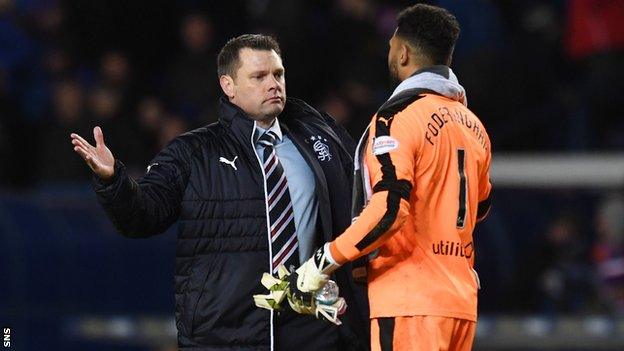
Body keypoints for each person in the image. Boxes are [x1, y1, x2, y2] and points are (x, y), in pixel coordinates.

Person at [70, 34, 368, 351]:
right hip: (229, 333)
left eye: (278, 74)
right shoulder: (193, 152)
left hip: (312, 324)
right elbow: (142, 216)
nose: (273, 84)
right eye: (258, 76)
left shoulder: (317, 138)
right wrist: (113, 179)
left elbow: (359, 206)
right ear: (228, 86)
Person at [285, 5, 492, 351]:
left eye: (391, 46)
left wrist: (324, 260)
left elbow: (389, 208)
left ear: (404, 52)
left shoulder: (395, 118)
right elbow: (480, 206)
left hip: (409, 300)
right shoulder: (474, 126)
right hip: (460, 303)